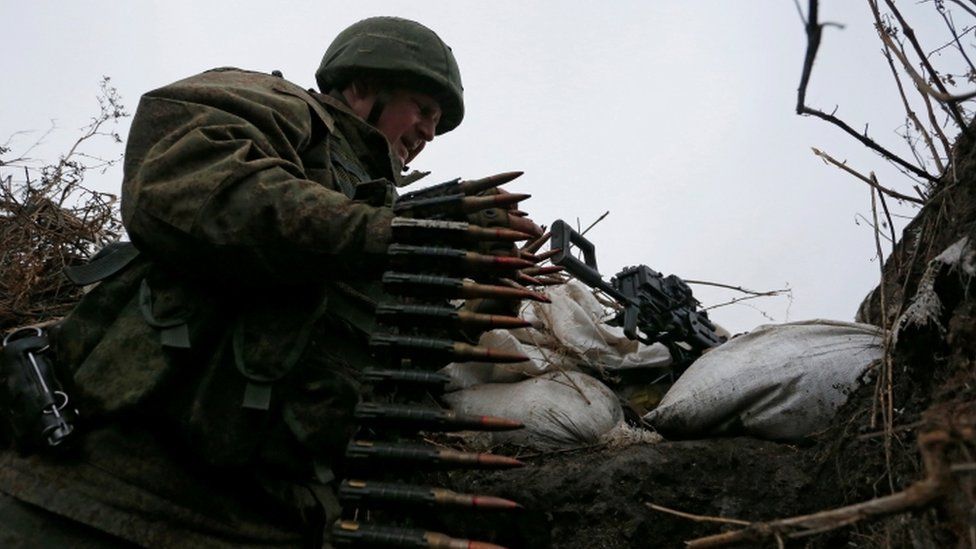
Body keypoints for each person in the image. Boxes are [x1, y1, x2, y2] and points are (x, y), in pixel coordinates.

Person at [0, 16, 541, 547]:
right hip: (103, 494)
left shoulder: (388, 206)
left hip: (276, 516)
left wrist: (475, 275)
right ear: (362, 85)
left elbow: (386, 358)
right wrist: (392, 233)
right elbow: (187, 188)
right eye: (422, 109)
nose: (428, 132)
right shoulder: (281, 107)